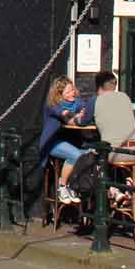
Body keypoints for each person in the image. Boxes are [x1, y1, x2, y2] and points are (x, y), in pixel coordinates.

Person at [38, 76, 93, 204]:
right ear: (59, 94)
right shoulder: (53, 105)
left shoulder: (77, 102)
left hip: (71, 141)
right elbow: (64, 115)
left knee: (89, 154)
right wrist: (76, 116)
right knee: (77, 155)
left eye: (72, 90)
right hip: (52, 142)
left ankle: (74, 185)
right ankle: (62, 187)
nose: (72, 93)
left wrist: (85, 111)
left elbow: (86, 109)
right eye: (67, 92)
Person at [91, 71, 135, 164]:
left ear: (98, 86)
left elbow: (81, 121)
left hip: (115, 153)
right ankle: (128, 179)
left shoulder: (96, 100)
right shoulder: (125, 97)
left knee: (90, 153)